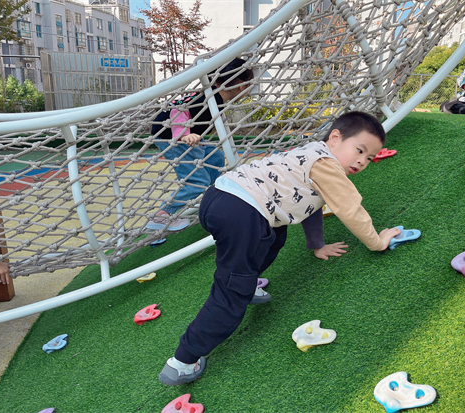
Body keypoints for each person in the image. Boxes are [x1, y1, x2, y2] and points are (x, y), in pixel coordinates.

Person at [158, 111, 402, 386]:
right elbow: (350, 209)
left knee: (274, 235)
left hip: (220, 197)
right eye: (359, 150)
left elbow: (310, 204)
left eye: (369, 158)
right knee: (232, 289)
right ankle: (183, 361)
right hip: (243, 211)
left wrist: (317, 245)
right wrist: (376, 242)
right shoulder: (328, 165)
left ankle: (248, 283)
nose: (362, 161)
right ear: (335, 138)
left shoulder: (310, 152)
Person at [147, 58, 254, 232]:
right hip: (172, 137)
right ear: (242, 87)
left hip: (187, 135)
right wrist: (183, 134)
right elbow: (178, 110)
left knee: (215, 156)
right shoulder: (210, 99)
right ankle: (162, 215)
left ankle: (216, 197)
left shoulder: (212, 94)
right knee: (197, 181)